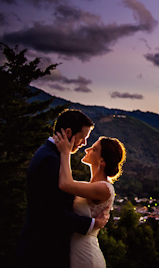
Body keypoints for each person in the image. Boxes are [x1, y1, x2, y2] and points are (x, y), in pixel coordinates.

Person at [18, 109, 109, 268]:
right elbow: (52, 212)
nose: (84, 143)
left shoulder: (51, 154)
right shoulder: (50, 159)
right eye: (83, 137)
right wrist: (93, 223)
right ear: (68, 132)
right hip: (42, 251)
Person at [53, 128, 126, 268]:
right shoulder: (89, 186)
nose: (87, 150)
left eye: (93, 149)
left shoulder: (103, 188)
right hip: (75, 252)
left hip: (87, 257)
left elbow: (65, 183)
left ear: (102, 160)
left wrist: (65, 152)